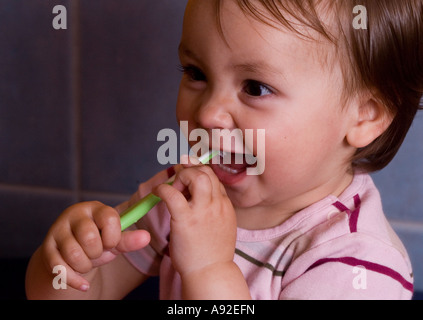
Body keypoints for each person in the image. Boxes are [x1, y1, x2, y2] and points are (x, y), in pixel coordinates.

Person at [26, 0, 422, 300]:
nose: (210, 113)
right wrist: (66, 265)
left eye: (255, 87)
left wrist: (208, 270)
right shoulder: (184, 194)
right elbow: (86, 292)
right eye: (196, 74)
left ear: (364, 116)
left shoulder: (358, 266)